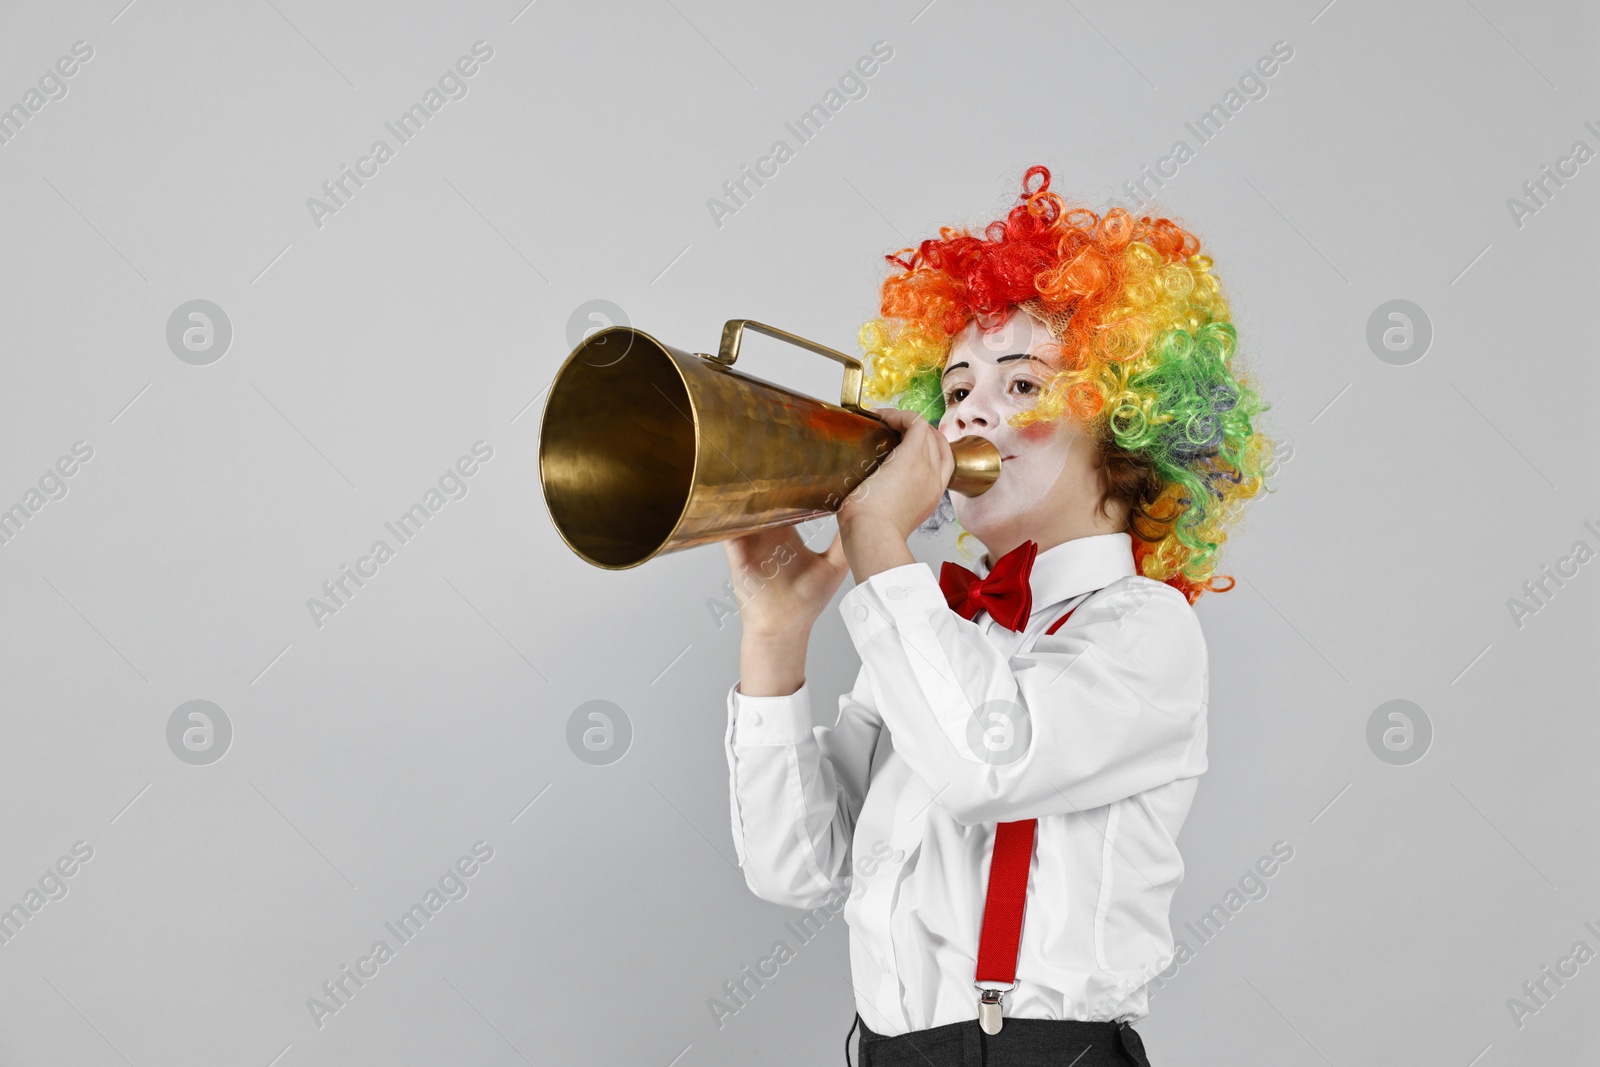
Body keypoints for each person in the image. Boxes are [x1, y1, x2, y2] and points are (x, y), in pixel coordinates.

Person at [721, 165, 1275, 1066]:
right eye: (957, 387)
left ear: (1127, 425)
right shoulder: (935, 632)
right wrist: (776, 634)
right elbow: (797, 868)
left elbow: (988, 758)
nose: (971, 408)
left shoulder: (1145, 630)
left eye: (1022, 385)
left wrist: (873, 538)